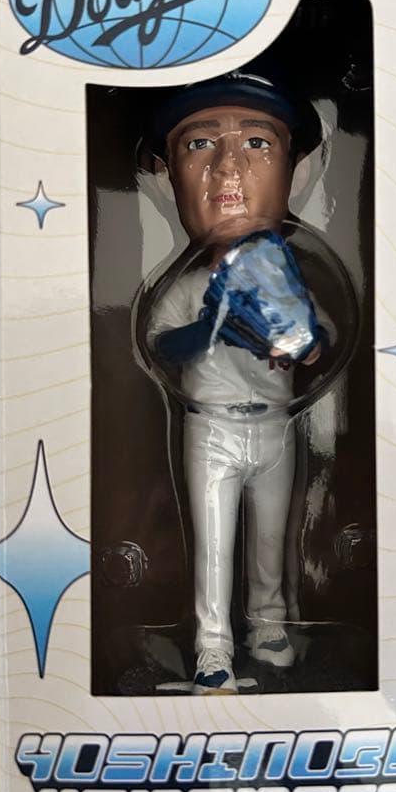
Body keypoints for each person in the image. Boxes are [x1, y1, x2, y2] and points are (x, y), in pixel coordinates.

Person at [142, 70, 331, 694]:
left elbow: (319, 345)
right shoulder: (191, 284)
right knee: (214, 546)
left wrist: (294, 339)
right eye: (200, 144)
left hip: (276, 425)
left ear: (296, 174)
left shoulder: (285, 280)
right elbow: (161, 346)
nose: (229, 168)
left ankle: (270, 627)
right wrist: (213, 324)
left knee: (272, 540)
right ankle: (212, 650)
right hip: (213, 427)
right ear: (167, 175)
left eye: (257, 143)